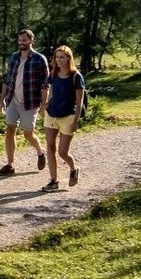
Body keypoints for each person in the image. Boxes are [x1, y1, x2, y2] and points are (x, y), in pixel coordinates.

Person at [0, 28, 49, 176]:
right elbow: (7, 79)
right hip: (13, 99)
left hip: (30, 102)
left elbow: (45, 84)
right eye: (19, 40)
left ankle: (40, 152)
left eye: (24, 40)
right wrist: (2, 100)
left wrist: (44, 105)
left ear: (31, 41)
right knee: (10, 130)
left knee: (28, 134)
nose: (21, 43)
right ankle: (10, 165)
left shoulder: (39, 59)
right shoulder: (14, 57)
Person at [40, 45, 87, 192]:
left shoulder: (76, 76)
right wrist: (44, 104)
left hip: (68, 117)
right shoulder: (54, 73)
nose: (59, 60)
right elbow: (47, 88)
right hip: (51, 115)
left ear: (69, 58)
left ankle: (74, 169)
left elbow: (79, 102)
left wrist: (76, 121)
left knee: (62, 152)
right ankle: (53, 181)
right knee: (50, 147)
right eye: (57, 57)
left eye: (62, 57)